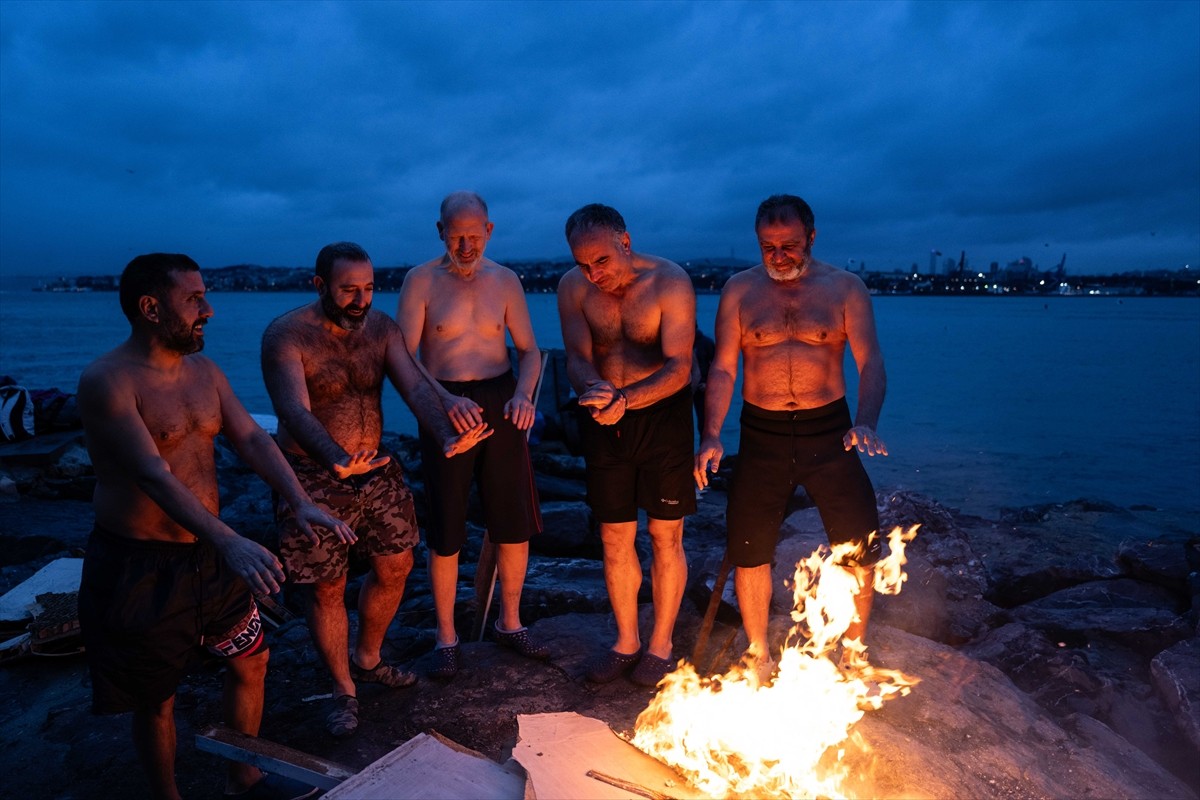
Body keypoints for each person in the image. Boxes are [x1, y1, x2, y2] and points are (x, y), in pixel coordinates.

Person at [77, 253, 353, 800]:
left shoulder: (205, 372)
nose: (209, 310)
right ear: (151, 308)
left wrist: (298, 499)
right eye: (194, 299)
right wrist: (230, 540)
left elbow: (250, 437)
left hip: (209, 558)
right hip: (142, 567)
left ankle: (242, 775)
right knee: (157, 700)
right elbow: (152, 474)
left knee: (252, 659)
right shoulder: (107, 380)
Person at [261, 242, 489, 738]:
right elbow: (294, 412)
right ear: (319, 285)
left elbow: (414, 388)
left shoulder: (382, 329)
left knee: (397, 565)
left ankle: (367, 657)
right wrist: (336, 458)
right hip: (313, 475)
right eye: (348, 290)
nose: (361, 300)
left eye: (368, 288)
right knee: (325, 587)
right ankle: (343, 688)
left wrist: (448, 436)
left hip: (377, 470)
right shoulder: (286, 336)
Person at [695, 194, 888, 679]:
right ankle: (758, 651)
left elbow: (871, 364)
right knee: (749, 546)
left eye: (790, 246)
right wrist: (712, 434)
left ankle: (854, 650)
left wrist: (866, 421)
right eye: (768, 247)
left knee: (859, 544)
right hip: (763, 434)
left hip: (831, 431)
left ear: (812, 238)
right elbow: (721, 369)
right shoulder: (739, 290)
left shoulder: (845, 288)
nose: (779, 256)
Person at [396, 191, 547, 679]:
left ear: (489, 230)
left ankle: (510, 621)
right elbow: (406, 359)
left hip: (501, 401)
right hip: (443, 404)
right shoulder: (419, 280)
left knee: (513, 519)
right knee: (446, 525)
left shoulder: (505, 280)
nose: (466, 245)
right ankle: (446, 636)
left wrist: (523, 396)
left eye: (474, 235)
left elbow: (529, 351)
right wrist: (443, 401)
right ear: (440, 231)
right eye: (456, 235)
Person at [557, 203, 696, 687]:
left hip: (662, 417)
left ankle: (660, 645)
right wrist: (592, 389)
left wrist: (626, 398)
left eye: (601, 261)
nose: (593, 274)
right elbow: (576, 356)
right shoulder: (573, 288)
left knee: (665, 535)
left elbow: (681, 367)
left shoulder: (669, 281)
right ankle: (625, 642)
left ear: (625, 242)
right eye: (582, 263)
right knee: (614, 535)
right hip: (603, 415)